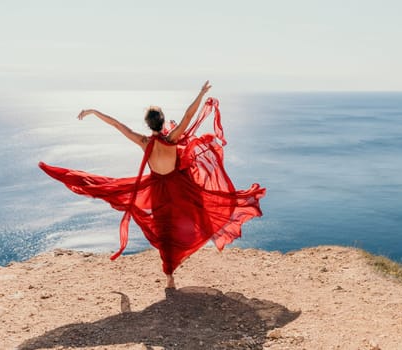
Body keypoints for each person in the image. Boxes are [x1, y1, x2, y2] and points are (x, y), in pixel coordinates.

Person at [39, 81, 265, 289]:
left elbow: (118, 125)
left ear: (148, 124)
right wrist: (201, 93)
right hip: (180, 187)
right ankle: (196, 244)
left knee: (164, 229)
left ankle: (169, 278)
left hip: (157, 190)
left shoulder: (143, 141)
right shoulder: (172, 140)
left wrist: (93, 111)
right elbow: (188, 116)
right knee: (202, 208)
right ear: (164, 121)